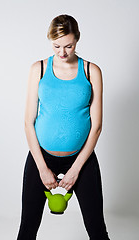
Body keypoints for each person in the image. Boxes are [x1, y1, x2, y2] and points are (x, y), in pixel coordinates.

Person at [17, 14, 110, 240]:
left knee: (97, 228)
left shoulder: (91, 71)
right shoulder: (37, 69)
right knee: (27, 227)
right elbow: (28, 123)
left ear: (77, 40)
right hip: (41, 157)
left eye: (68, 46)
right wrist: (41, 167)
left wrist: (76, 169)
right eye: (56, 46)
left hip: (81, 159)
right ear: (50, 40)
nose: (62, 52)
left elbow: (96, 126)